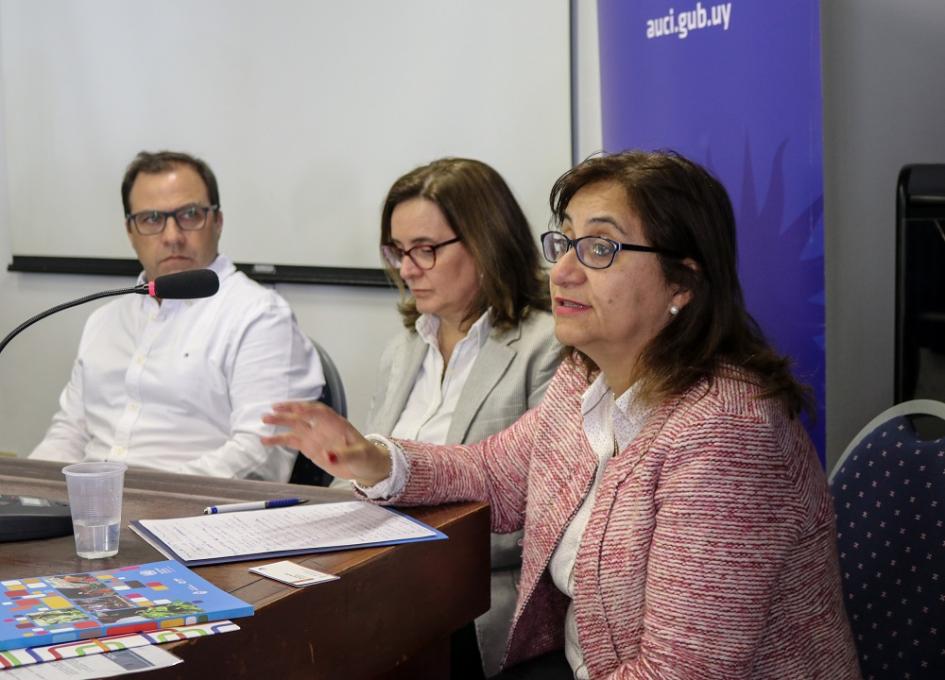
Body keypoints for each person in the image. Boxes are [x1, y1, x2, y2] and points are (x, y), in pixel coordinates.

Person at [263, 150, 860, 679]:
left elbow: (681, 669)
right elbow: (492, 472)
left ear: (682, 282)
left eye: (601, 248)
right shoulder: (585, 376)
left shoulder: (728, 433)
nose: (564, 271)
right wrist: (376, 460)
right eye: (565, 242)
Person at [335, 157, 561, 677]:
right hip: (378, 574)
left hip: (473, 600)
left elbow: (542, 521)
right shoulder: (404, 349)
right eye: (397, 251)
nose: (407, 269)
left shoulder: (544, 347)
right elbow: (368, 475)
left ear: (485, 240)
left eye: (426, 250)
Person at [30, 150, 324, 482]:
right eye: (152, 219)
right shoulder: (105, 319)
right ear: (131, 231)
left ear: (218, 221)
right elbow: (69, 432)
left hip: (193, 516)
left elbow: (260, 456)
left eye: (189, 214)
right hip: (92, 513)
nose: (172, 236)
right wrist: (29, 493)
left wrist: (133, 495)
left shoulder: (260, 316)